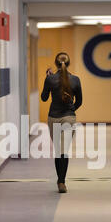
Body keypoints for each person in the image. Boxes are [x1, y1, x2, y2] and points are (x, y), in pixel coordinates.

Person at [41, 52, 82, 193]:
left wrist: (47, 79)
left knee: (58, 150)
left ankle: (60, 180)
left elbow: (44, 98)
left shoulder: (50, 79)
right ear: (68, 63)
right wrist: (71, 111)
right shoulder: (76, 80)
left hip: (53, 117)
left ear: (55, 64)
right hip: (69, 118)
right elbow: (80, 101)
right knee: (64, 150)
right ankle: (61, 182)